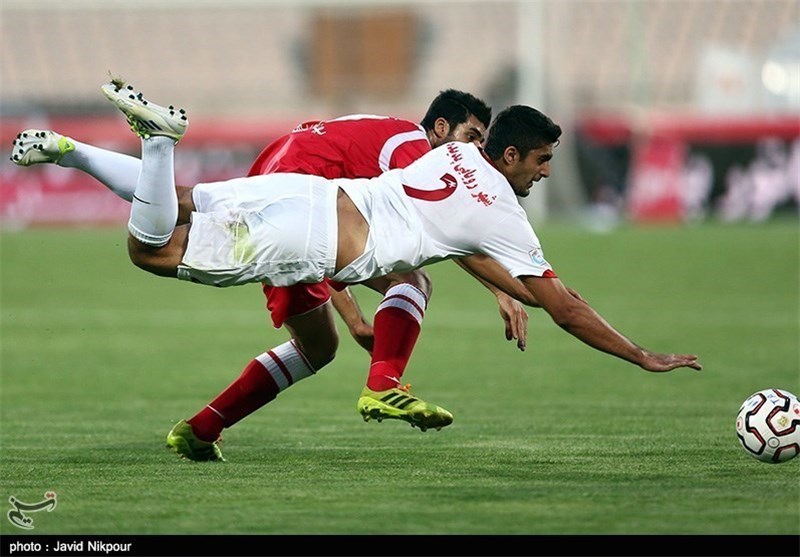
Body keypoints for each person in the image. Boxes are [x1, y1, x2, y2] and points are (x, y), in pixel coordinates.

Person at [93, 81, 702, 434]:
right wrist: (641, 355)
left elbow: (454, 239)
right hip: (314, 243)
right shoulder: (501, 212)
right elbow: (564, 309)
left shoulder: (446, 153)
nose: (545, 173)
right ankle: (157, 143)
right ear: (510, 155)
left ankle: (88, 153)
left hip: (302, 190)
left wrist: (506, 288)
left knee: (173, 207)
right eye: (542, 161)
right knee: (149, 252)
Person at [11, 84, 534, 461]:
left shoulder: (390, 133)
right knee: (411, 281)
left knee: (180, 209)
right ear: (441, 127)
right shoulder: (417, 149)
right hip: (298, 204)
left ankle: (201, 428)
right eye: (470, 136)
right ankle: (383, 383)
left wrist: (351, 310)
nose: (472, 152)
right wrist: (501, 291)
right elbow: (436, 231)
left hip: (280, 178)